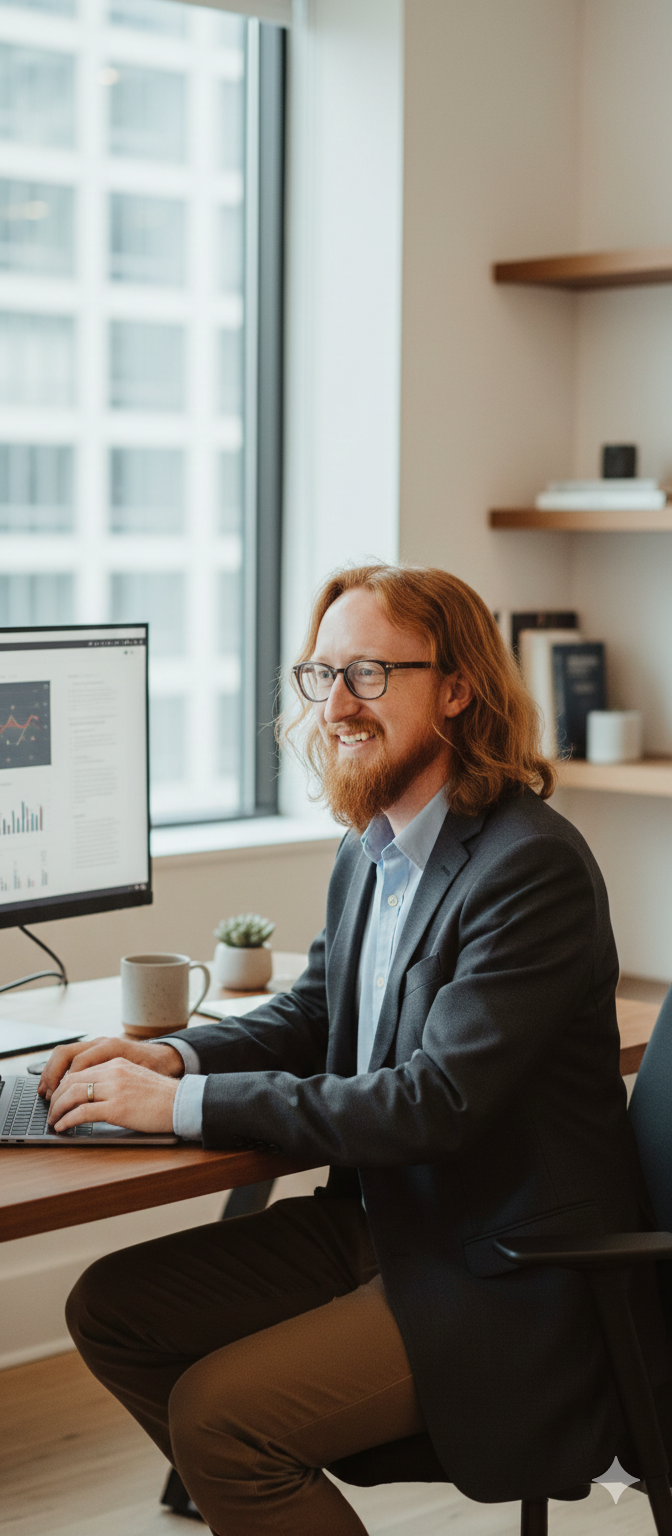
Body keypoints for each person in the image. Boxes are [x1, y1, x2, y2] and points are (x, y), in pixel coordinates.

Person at [40, 564, 659, 1535]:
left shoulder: (527, 866)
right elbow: (317, 1013)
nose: (335, 704)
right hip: (386, 1221)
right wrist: (179, 1061)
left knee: (226, 1421)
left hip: (506, 1260)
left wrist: (182, 1111)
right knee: (113, 1309)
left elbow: (432, 1102)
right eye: (320, 675)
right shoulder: (374, 844)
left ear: (457, 688)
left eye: (368, 673)